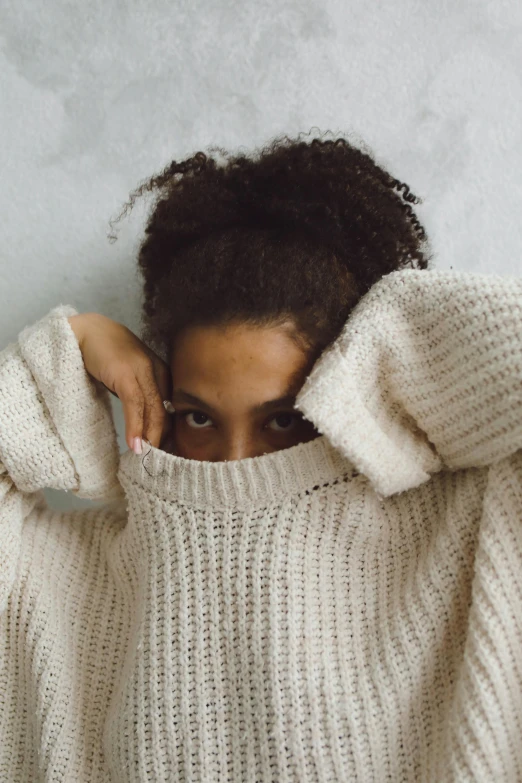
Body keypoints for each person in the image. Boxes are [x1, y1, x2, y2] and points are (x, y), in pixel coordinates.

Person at [0, 132, 521, 782]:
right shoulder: (89, 567)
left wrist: (400, 335)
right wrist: (65, 350)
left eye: (285, 419)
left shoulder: (471, 527)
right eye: (198, 417)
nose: (237, 460)